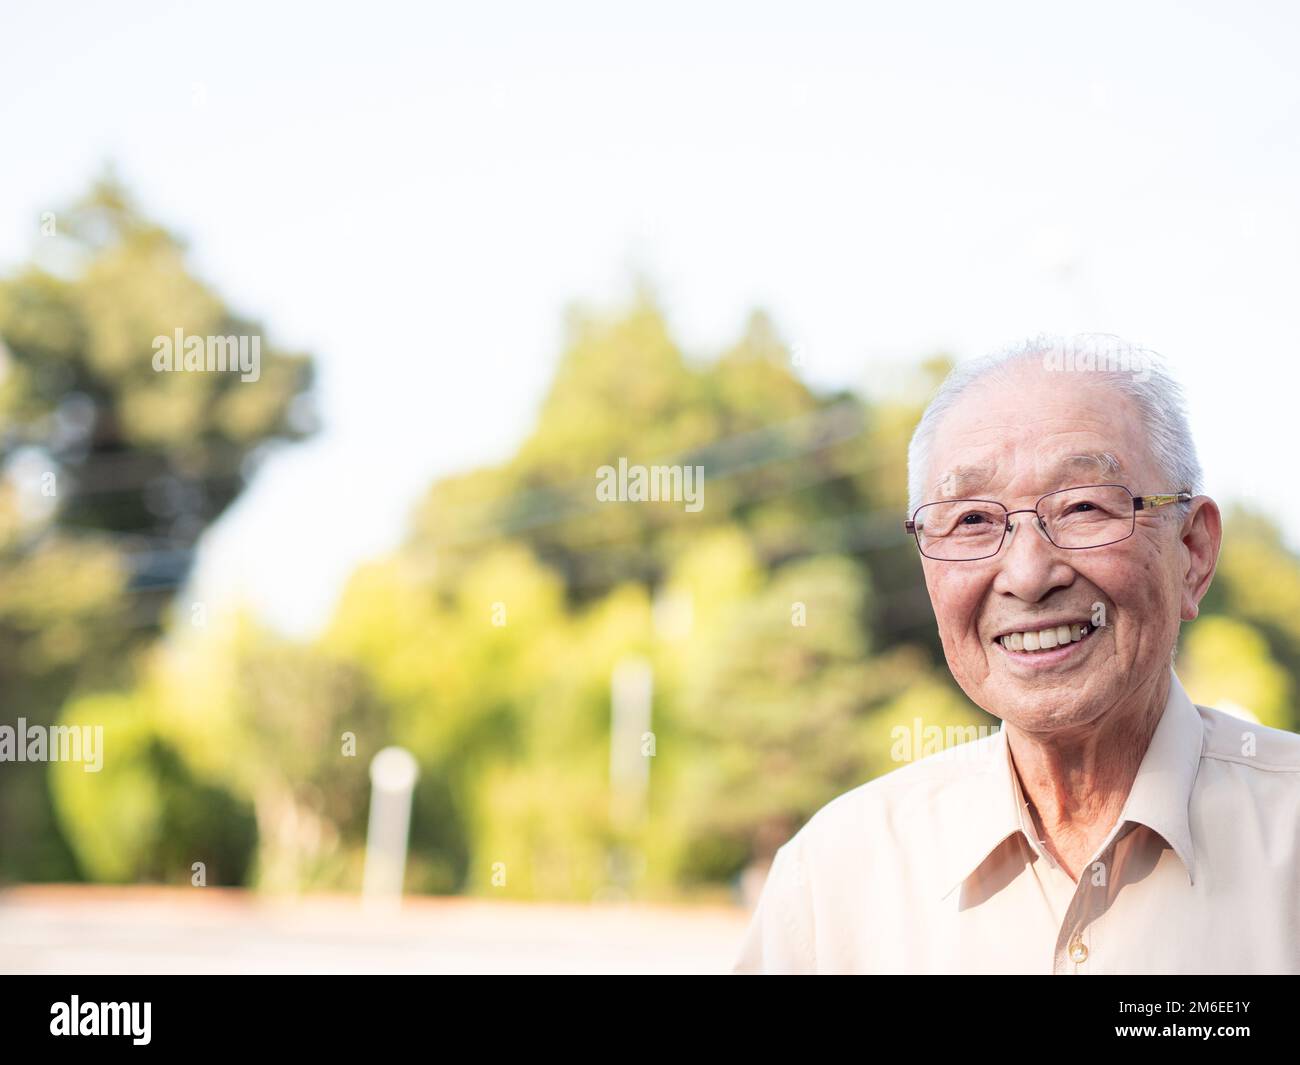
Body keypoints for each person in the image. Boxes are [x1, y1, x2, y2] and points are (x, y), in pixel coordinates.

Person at [733, 335, 1300, 974]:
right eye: (972, 520)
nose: (1028, 576)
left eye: (1084, 506)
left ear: (1193, 552)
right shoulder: (832, 879)